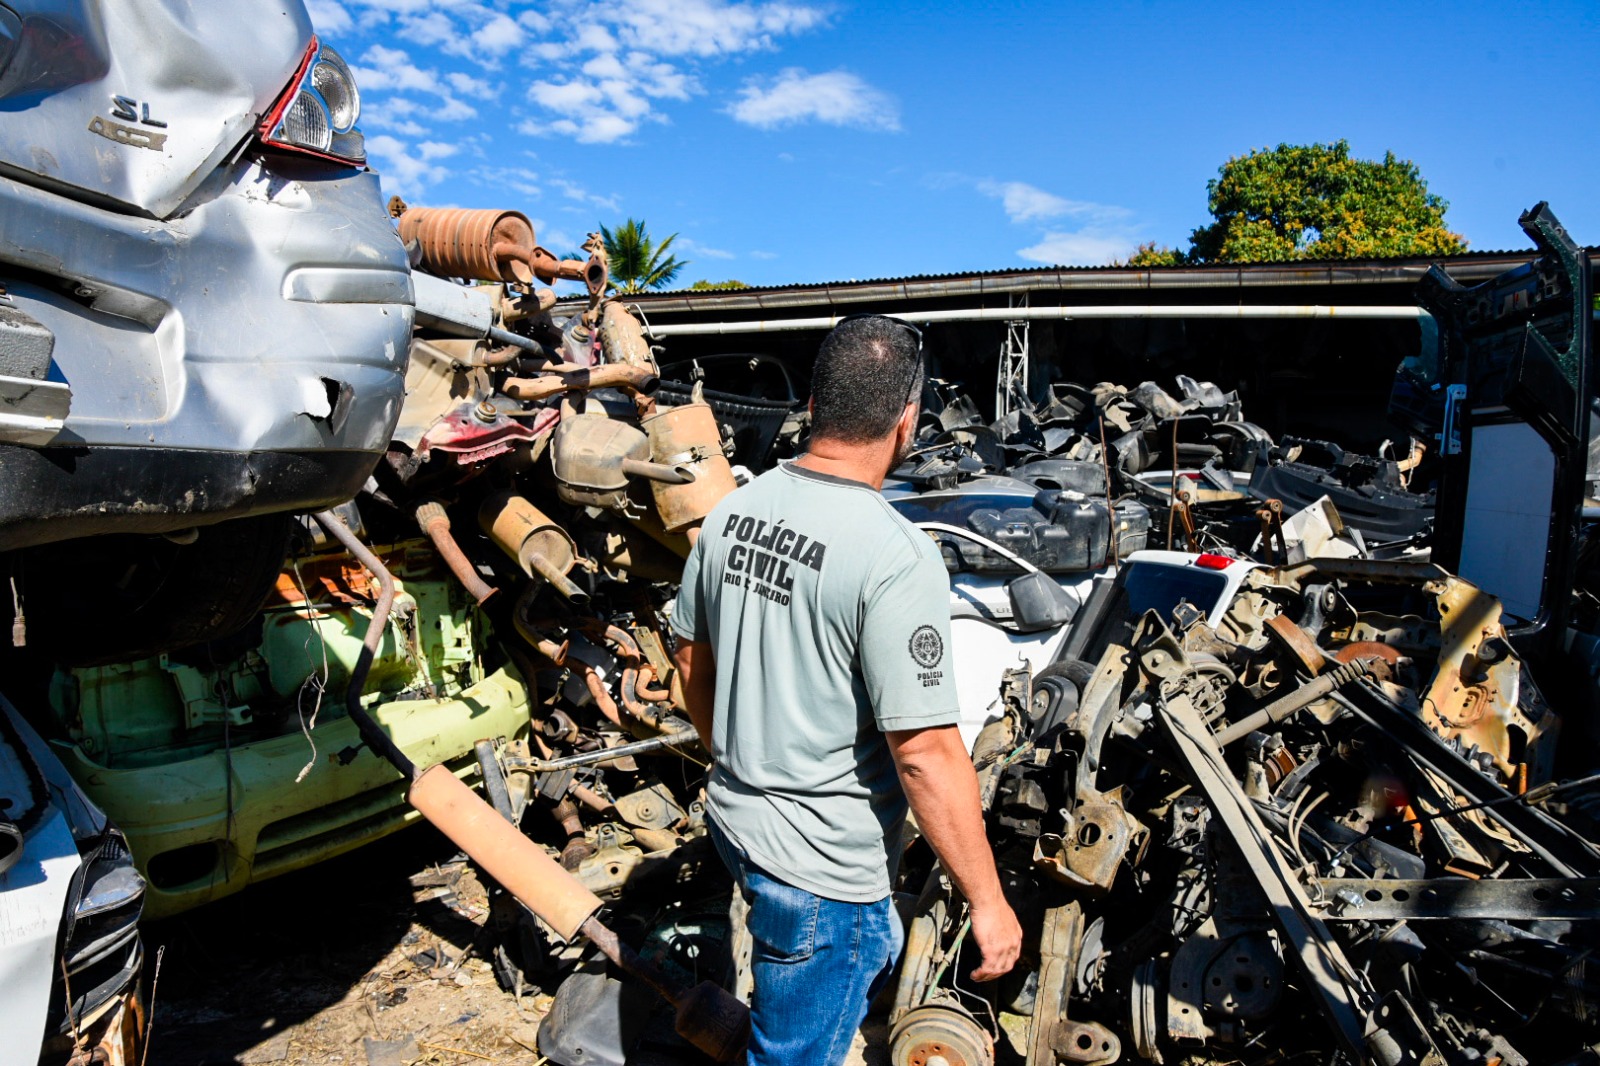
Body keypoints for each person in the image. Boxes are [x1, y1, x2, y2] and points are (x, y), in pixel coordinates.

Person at [670, 314, 1022, 1066]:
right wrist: (988, 903)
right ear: (908, 419)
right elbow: (925, 752)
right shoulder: (895, 555)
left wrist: (739, 758)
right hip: (822, 875)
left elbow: (689, 663)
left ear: (815, 405)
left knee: (836, 968)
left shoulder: (733, 512)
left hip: (736, 820)